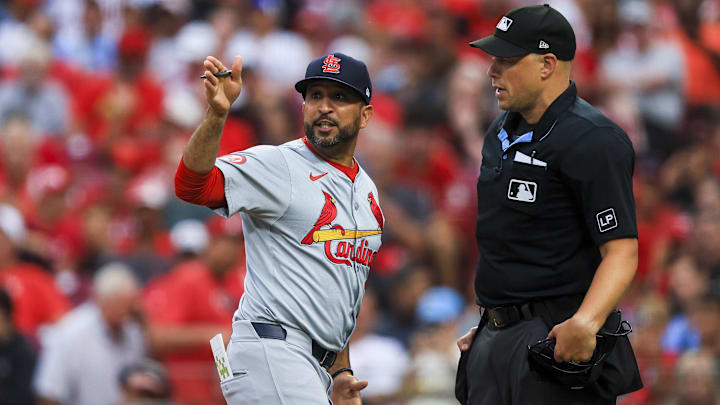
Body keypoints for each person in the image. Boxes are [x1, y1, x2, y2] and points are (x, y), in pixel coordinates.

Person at [455, 5, 643, 404]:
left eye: (506, 60)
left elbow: (622, 251)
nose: (491, 71)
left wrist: (587, 324)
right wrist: (492, 321)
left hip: (554, 340)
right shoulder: (499, 131)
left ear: (547, 64)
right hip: (495, 338)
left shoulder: (593, 139)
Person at [174, 52, 383, 404]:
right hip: (272, 349)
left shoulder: (368, 191)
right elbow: (191, 186)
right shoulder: (279, 164)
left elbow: (341, 287)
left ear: (365, 115)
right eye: (315, 96)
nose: (324, 107)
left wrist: (341, 370)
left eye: (339, 97)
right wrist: (217, 115)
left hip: (312, 366)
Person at [34, 262, 145, 405]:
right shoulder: (71, 332)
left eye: (130, 307)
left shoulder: (133, 331)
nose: (127, 314)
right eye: (122, 305)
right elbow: (48, 393)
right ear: (102, 300)